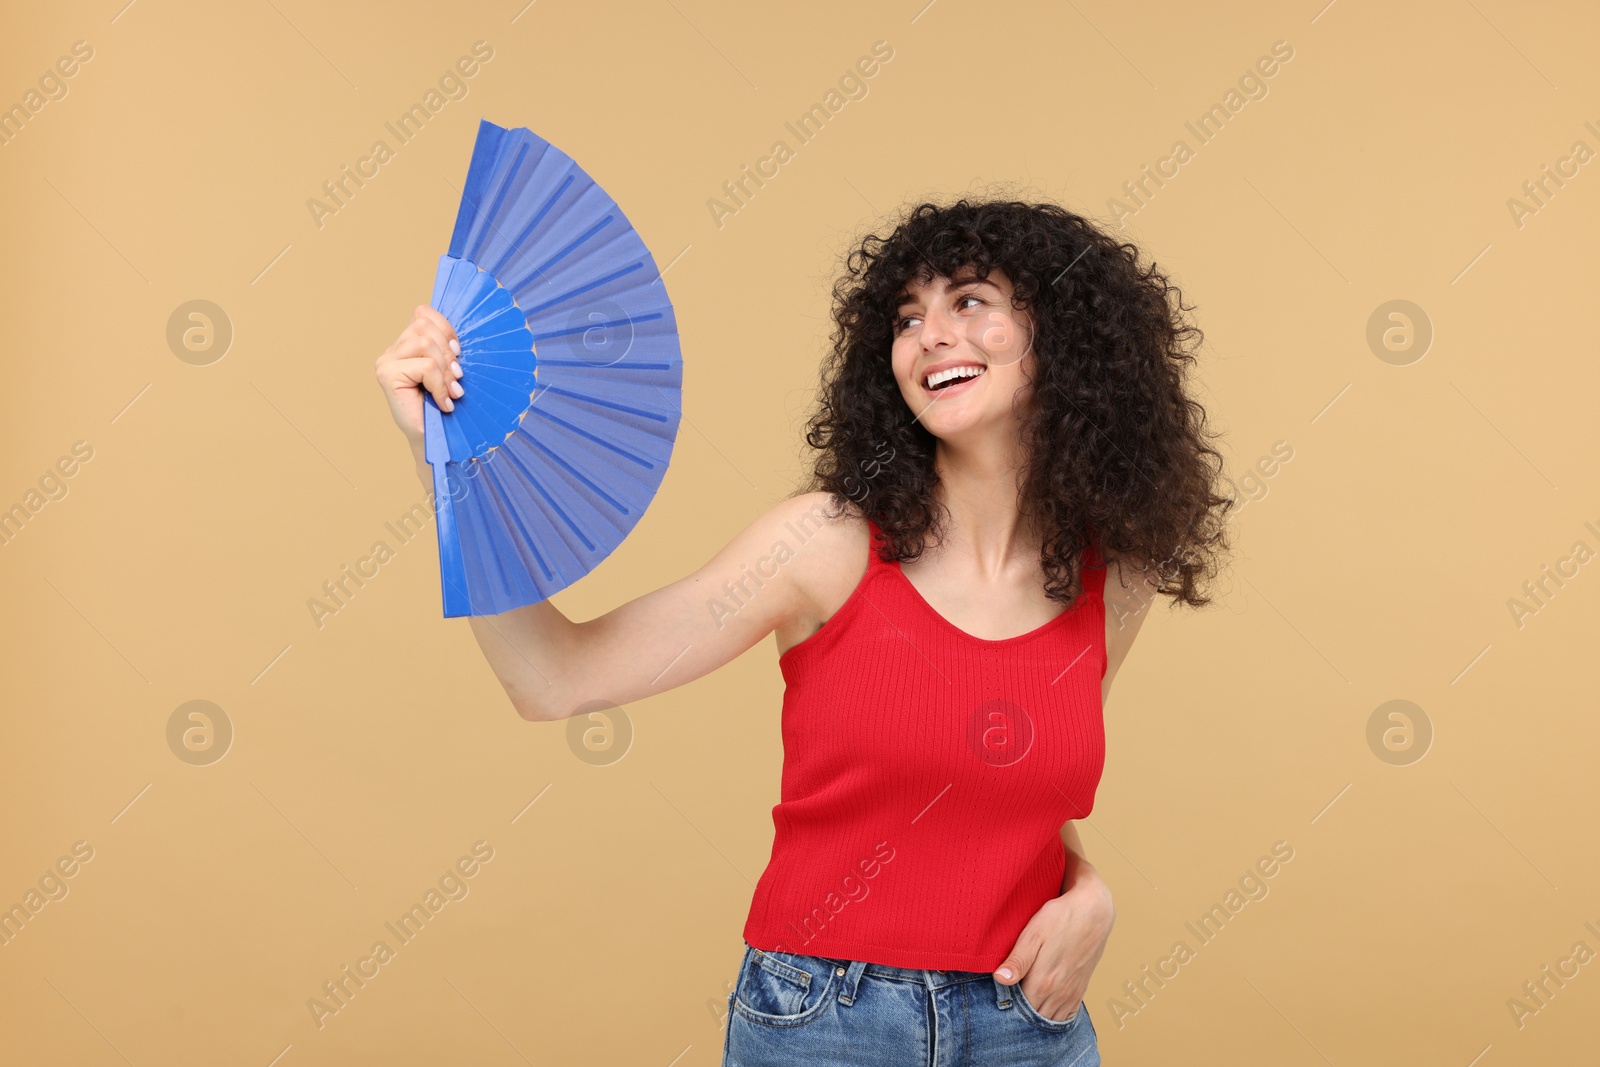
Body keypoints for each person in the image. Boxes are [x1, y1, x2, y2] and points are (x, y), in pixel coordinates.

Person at [374, 196, 1232, 1065]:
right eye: (906, 317)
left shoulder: (1116, 575)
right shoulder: (822, 545)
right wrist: (441, 460)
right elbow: (552, 677)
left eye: (968, 300)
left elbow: (1014, 789)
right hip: (829, 1021)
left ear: (1068, 337)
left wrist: (1090, 893)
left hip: (1029, 1023)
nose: (929, 333)